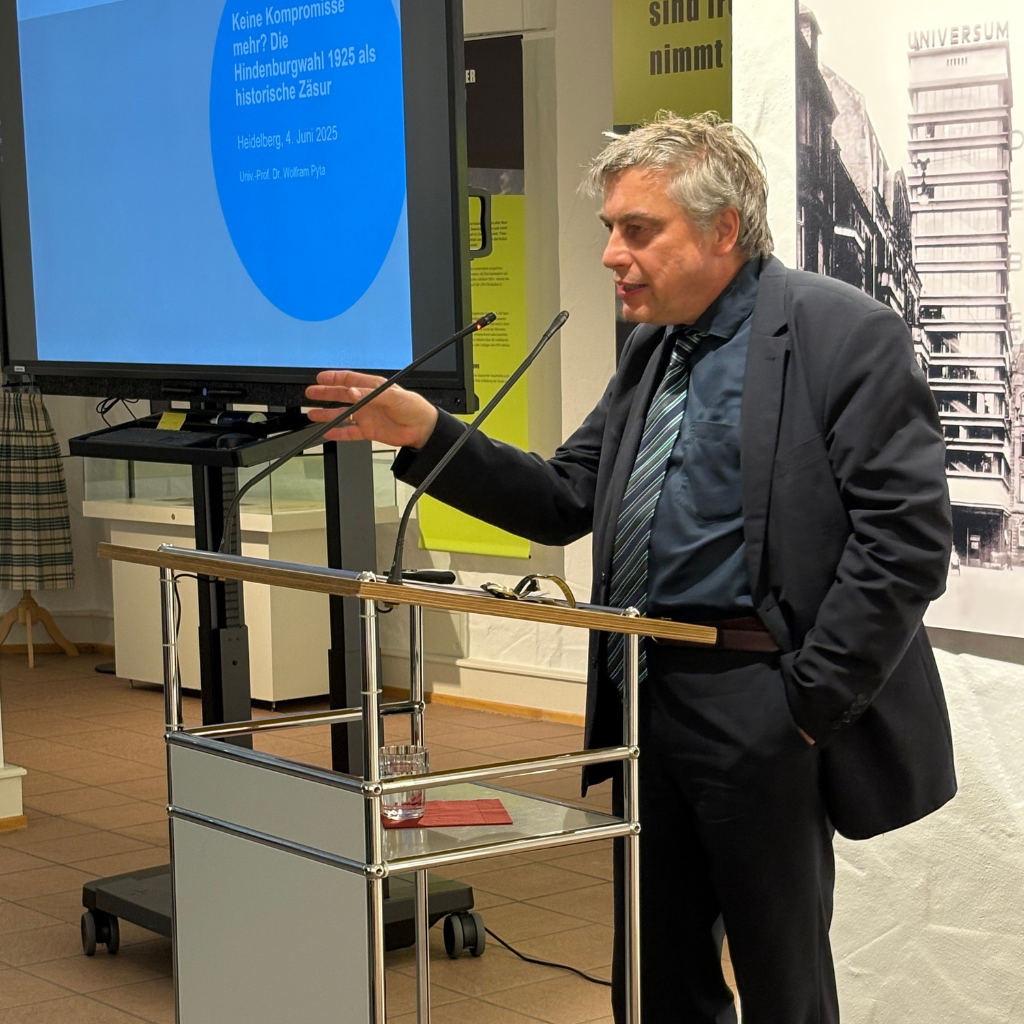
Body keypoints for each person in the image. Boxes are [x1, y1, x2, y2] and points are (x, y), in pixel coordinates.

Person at [306, 112, 956, 1024]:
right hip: (646, 697)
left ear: (723, 229)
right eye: (611, 228)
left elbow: (905, 540)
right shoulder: (655, 346)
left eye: (639, 230)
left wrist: (808, 704)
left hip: (764, 699)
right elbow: (566, 495)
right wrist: (429, 434)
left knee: (782, 979)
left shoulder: (841, 333)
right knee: (655, 974)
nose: (613, 254)